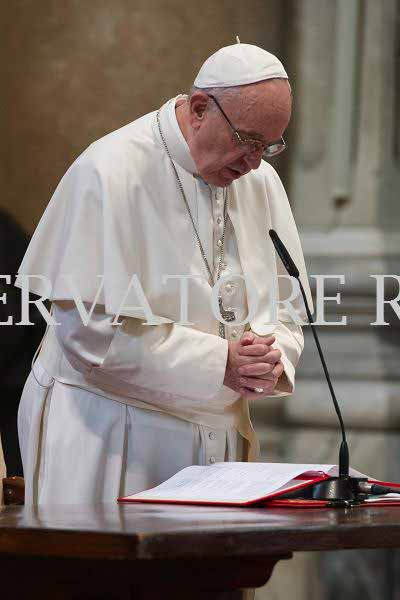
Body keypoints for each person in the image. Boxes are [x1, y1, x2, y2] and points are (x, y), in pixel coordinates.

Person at [15, 42, 313, 506]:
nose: (255, 161)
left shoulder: (259, 182)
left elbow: (288, 309)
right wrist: (220, 363)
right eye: (248, 140)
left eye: (269, 145)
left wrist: (269, 359)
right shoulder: (110, 170)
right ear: (199, 109)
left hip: (218, 441)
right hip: (112, 433)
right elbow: (89, 335)